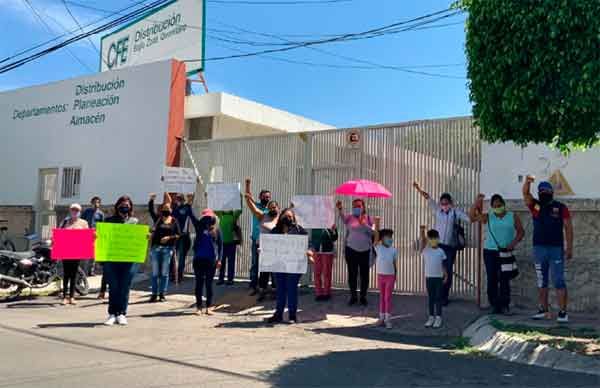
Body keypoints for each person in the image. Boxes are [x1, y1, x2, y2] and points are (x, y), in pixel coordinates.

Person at [522, 176, 573, 323]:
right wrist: (527, 182)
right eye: (541, 191)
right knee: (541, 281)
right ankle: (544, 310)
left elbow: (568, 227)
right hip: (539, 249)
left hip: (556, 249)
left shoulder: (560, 207)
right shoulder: (536, 207)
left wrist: (569, 247)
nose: (543, 192)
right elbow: (526, 195)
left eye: (546, 190)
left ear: (551, 192)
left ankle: (563, 312)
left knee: (558, 280)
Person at [413, 181, 472, 306]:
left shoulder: (455, 212)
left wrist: (476, 209)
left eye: (447, 203)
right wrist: (418, 188)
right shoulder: (437, 210)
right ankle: (436, 296)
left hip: (450, 247)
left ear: (450, 203)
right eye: (442, 203)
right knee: (437, 270)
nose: (444, 205)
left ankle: (444, 296)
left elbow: (468, 219)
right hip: (437, 245)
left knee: (448, 272)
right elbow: (427, 197)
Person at [470, 193, 524, 314]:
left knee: (504, 279)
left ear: (503, 205)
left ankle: (505, 305)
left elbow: (521, 232)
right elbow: (472, 217)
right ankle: (494, 305)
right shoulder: (489, 216)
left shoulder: (512, 216)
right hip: (490, 252)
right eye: (494, 206)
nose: (497, 208)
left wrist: (513, 243)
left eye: (499, 205)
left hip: (506, 252)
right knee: (492, 278)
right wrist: (476, 202)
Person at [267, 208, 311, 324]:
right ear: (281, 217)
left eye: (290, 216)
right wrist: (262, 250)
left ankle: (292, 315)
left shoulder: (298, 230)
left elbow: (308, 243)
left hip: (294, 265)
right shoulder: (276, 231)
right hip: (279, 265)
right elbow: (269, 245)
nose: (288, 219)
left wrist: (309, 251)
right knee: (280, 290)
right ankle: (278, 314)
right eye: (285, 216)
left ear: (294, 218)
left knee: (292, 289)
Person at [103, 196, 139, 326]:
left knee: (125, 286)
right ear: (117, 206)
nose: (125, 207)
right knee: (113, 286)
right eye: (122, 205)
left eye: (127, 205)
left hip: (128, 259)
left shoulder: (135, 221)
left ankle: (122, 313)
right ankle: (112, 313)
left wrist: (145, 237)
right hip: (112, 259)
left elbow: (137, 239)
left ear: (130, 208)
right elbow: (103, 237)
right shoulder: (108, 221)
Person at [336, 198, 374, 306]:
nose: (357, 208)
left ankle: (363, 296)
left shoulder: (368, 218)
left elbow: (373, 233)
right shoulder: (349, 217)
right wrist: (340, 209)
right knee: (352, 274)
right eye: (355, 206)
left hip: (365, 251)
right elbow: (343, 219)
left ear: (363, 207)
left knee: (364, 275)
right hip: (351, 250)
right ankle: (353, 296)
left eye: (359, 206)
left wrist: (364, 224)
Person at [245, 179, 279, 301]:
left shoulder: (273, 212)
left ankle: (272, 289)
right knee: (256, 264)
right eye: (264, 197)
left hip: (272, 245)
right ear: (260, 197)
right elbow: (249, 199)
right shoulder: (259, 209)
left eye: (268, 197)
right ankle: (254, 287)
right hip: (257, 241)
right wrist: (247, 185)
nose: (266, 198)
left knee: (271, 267)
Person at [190, 208, 223, 315]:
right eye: (205, 217)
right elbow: (191, 216)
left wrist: (219, 260)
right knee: (199, 284)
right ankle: (199, 307)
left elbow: (221, 246)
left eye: (210, 217)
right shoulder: (199, 228)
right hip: (198, 260)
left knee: (209, 284)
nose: (207, 220)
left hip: (211, 261)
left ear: (213, 219)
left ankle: (208, 307)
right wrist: (190, 204)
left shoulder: (217, 231)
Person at [149, 202, 180, 303]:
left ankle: (162, 294)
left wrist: (169, 238)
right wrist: (151, 200)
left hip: (168, 249)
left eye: (168, 208)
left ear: (171, 210)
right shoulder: (158, 219)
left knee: (164, 273)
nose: (166, 210)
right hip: (155, 248)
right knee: (155, 272)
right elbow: (151, 210)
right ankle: (154, 294)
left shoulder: (174, 221)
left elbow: (178, 235)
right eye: (164, 208)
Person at [59, 203, 89, 305]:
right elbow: (59, 234)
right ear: (70, 211)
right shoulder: (65, 222)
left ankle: (72, 296)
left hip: (77, 252)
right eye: (73, 210)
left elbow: (87, 237)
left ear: (80, 212)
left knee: (74, 274)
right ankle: (64, 296)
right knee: (66, 274)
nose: (74, 212)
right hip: (65, 251)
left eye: (77, 210)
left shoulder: (83, 223)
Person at [420, 226, 448, 329]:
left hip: (439, 278)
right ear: (428, 239)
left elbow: (443, 264)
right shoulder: (425, 250)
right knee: (431, 298)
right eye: (431, 238)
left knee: (438, 298)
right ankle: (431, 317)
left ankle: (439, 317)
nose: (433, 240)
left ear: (438, 238)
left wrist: (446, 274)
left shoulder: (441, 251)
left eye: (435, 238)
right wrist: (422, 231)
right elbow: (422, 241)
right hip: (429, 278)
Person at [373, 223, 397, 329]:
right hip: (380, 275)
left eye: (391, 237)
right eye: (387, 237)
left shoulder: (394, 250)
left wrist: (396, 276)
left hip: (390, 276)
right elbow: (376, 237)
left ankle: (388, 319)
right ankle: (381, 318)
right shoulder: (378, 247)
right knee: (382, 297)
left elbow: (395, 264)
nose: (390, 239)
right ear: (382, 238)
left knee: (388, 297)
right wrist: (376, 223)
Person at [215, 206, 243, 286]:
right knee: (221, 262)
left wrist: (239, 197)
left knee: (231, 262)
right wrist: (207, 197)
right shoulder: (221, 214)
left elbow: (240, 210)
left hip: (231, 243)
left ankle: (230, 279)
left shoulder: (233, 215)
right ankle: (221, 279)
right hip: (222, 244)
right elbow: (213, 208)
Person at [310, 225, 338, 301]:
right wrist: (312, 248)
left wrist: (333, 230)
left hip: (328, 251)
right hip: (317, 251)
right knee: (317, 273)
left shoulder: (331, 224)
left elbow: (335, 238)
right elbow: (313, 238)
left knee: (327, 273)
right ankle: (318, 293)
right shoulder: (315, 225)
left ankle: (327, 293)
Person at [81, 196, 104, 276]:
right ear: (91, 203)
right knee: (86, 255)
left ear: (99, 204)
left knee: (93, 255)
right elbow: (81, 221)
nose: (96, 204)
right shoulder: (87, 211)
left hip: (95, 235)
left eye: (97, 202)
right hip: (86, 233)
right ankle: (83, 272)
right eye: (94, 202)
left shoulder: (101, 214)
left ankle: (91, 271)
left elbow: (102, 225)